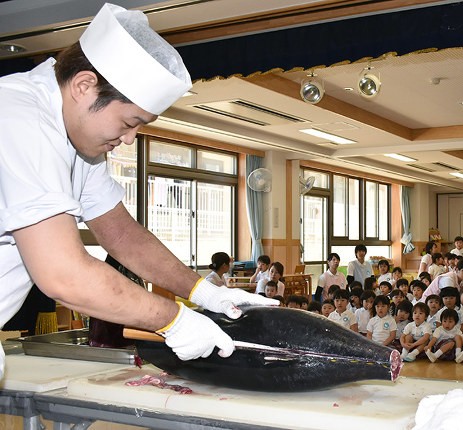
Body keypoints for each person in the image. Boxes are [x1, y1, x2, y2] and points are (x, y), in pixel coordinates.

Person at [0, 3, 277, 379]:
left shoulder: (80, 142)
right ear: (84, 86)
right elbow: (63, 275)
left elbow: (122, 234)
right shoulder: (19, 118)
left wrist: (203, 292)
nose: (129, 140)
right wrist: (174, 320)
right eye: (130, 122)